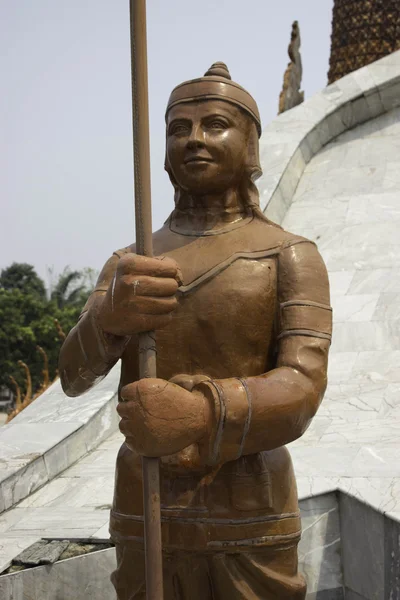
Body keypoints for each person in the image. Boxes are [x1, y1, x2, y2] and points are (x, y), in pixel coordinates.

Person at [59, 62, 332, 600]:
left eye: (214, 125)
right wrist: (106, 321)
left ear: (251, 144)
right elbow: (72, 376)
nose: (194, 139)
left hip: (251, 507)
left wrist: (203, 413)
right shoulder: (130, 262)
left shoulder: (287, 254)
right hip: (146, 502)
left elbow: (304, 385)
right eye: (178, 128)